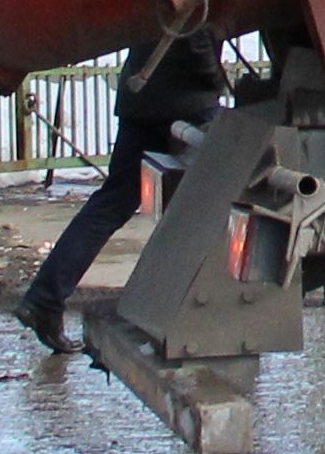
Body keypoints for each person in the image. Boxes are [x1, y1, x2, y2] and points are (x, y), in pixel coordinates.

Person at [17, 35, 228, 351]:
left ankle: (44, 299)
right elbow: (198, 28)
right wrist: (215, 80)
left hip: (142, 99)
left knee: (110, 205)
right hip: (187, 102)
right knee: (210, 206)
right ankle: (192, 311)